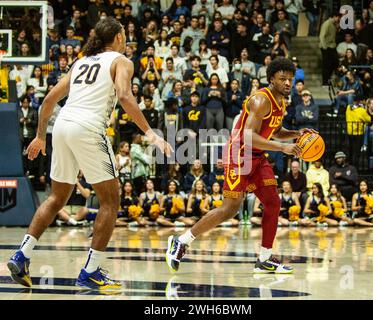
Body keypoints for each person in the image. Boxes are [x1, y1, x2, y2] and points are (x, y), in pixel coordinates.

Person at [7, 17, 171, 290]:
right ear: (119, 37)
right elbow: (125, 96)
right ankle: (91, 271)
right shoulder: (121, 60)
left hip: (61, 126)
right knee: (110, 201)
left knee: (57, 197)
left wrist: (39, 136)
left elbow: (48, 100)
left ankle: (22, 254)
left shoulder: (80, 62)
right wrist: (151, 134)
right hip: (88, 128)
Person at [166, 57, 316, 274]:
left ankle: (265, 258)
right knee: (230, 208)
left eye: (290, 79)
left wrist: (295, 134)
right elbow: (247, 136)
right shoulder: (260, 100)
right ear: (271, 79)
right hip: (239, 154)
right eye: (282, 79)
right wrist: (282, 148)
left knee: (273, 203)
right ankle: (181, 241)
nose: (287, 83)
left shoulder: (281, 102)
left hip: (257, 155)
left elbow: (274, 131)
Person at [319, 12, 340, 86]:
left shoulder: (333, 24)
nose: (339, 19)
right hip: (326, 47)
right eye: (338, 17)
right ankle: (325, 82)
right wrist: (324, 47)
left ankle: (329, 79)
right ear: (334, 16)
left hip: (332, 47)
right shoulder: (327, 23)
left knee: (335, 63)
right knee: (326, 65)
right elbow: (322, 36)